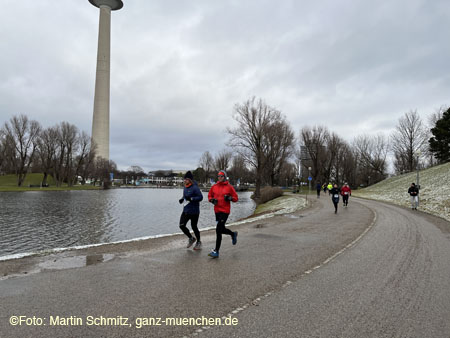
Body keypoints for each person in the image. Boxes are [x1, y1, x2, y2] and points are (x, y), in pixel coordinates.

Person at [207, 170, 239, 258]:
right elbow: (209, 196)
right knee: (220, 230)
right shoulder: (214, 187)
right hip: (217, 211)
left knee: (218, 230)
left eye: (221, 176)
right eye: (218, 176)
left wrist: (230, 198)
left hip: (225, 211)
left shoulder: (229, 187)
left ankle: (216, 251)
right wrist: (212, 200)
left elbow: (236, 198)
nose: (219, 178)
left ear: (224, 177)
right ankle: (233, 234)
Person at [178, 171, 203, 250]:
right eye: (184, 179)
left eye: (186, 179)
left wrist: (192, 199)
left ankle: (198, 241)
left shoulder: (195, 187)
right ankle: (191, 238)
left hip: (194, 211)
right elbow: (185, 196)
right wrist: (182, 199)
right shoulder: (185, 187)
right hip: (186, 210)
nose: (185, 180)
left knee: (194, 226)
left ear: (190, 180)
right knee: (181, 225)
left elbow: (200, 197)